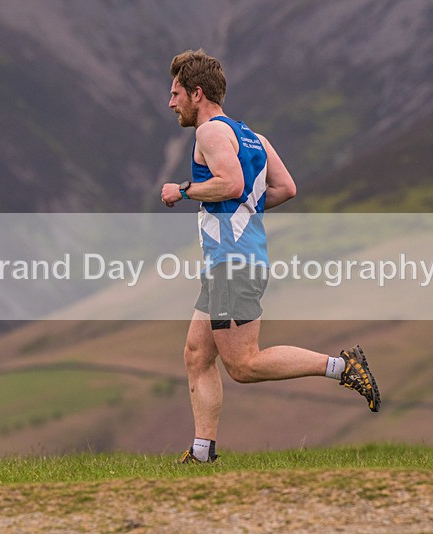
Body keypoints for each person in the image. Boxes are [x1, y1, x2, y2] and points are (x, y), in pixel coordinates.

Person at [160, 49, 380, 464]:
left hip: (233, 263)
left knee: (243, 364)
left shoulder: (209, 133)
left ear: (197, 93)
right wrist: (245, 210)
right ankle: (203, 454)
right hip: (235, 261)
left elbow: (230, 183)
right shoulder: (252, 138)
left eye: (176, 94)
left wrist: (183, 190)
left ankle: (342, 367)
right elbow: (285, 189)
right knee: (196, 354)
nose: (171, 103)